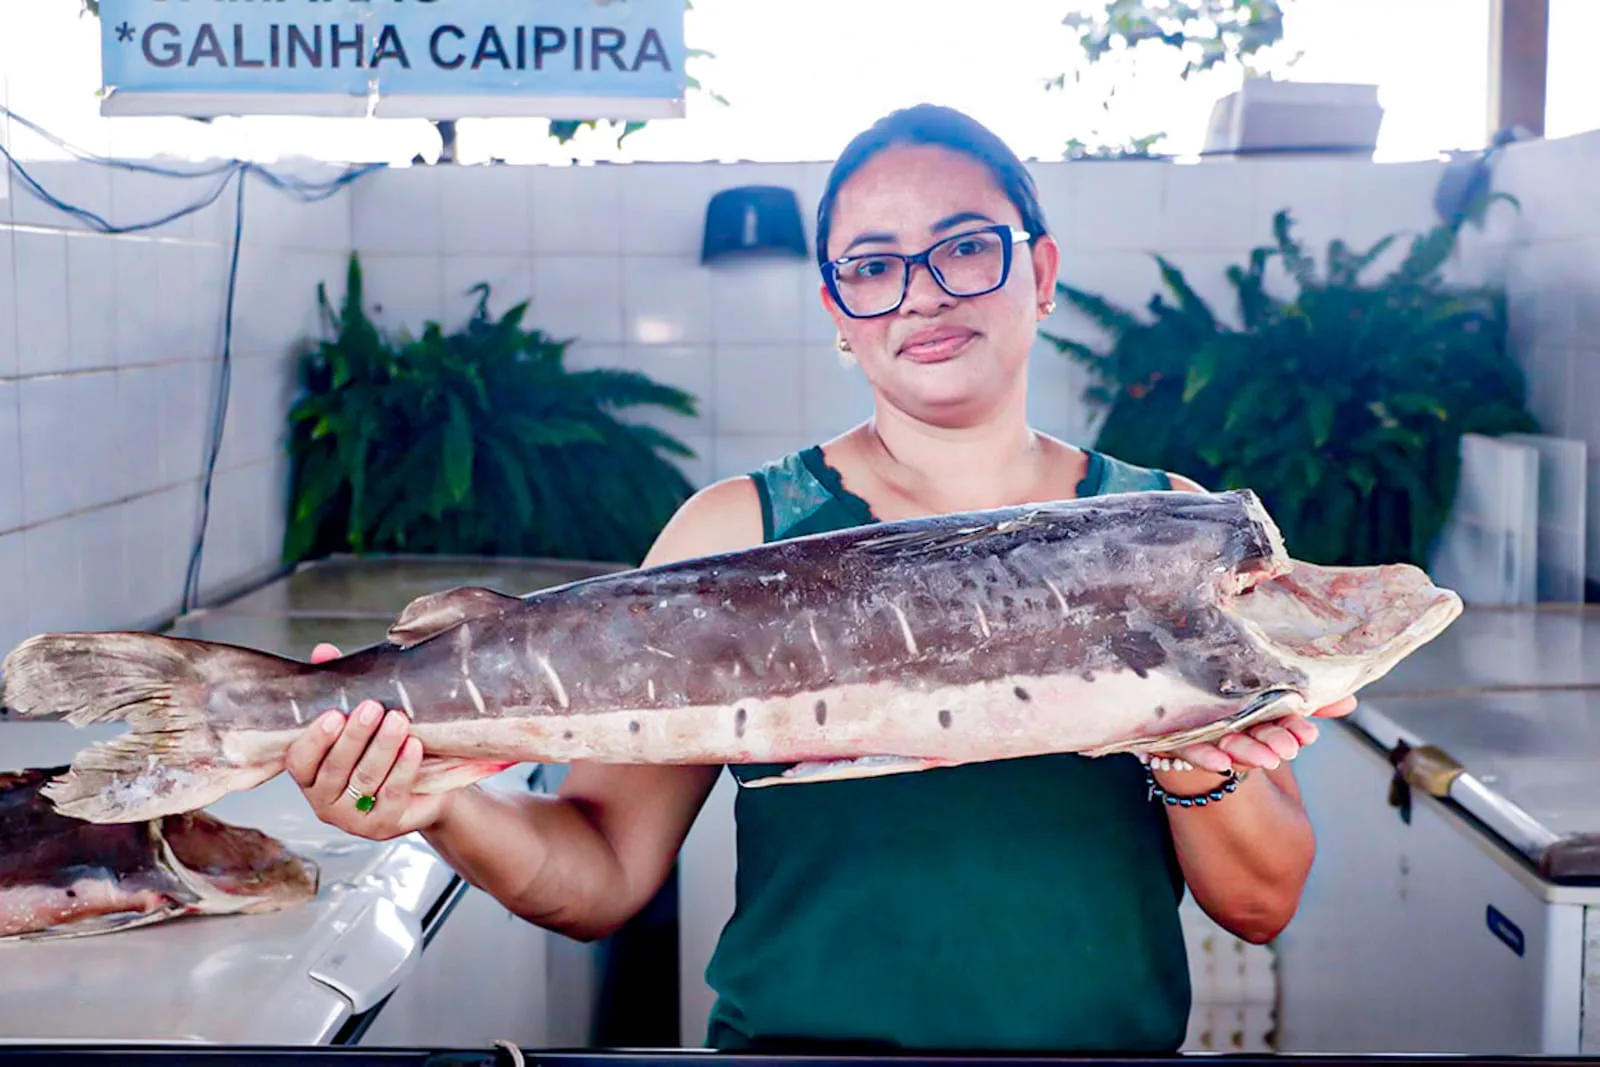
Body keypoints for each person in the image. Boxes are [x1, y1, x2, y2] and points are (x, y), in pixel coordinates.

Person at [285, 103, 1356, 1054]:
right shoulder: (738, 532)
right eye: (874, 265)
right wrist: (436, 803)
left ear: (1039, 272)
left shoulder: (1165, 525)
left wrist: (1183, 747)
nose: (922, 294)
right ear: (838, 310)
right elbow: (601, 871)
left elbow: (1259, 900)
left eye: (965, 249)